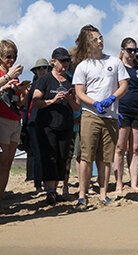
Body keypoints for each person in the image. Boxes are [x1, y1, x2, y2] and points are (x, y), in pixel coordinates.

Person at [72, 24, 130, 210]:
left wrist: (113, 97)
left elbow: (123, 85)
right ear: (87, 44)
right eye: (95, 39)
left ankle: (103, 193)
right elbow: (79, 92)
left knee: (106, 158)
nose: (100, 42)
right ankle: (82, 194)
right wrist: (94, 103)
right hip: (90, 114)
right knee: (87, 156)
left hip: (111, 115)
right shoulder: (83, 66)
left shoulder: (115, 61)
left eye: (101, 37)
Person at [32, 48, 80, 204]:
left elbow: (76, 107)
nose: (65, 64)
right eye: (62, 61)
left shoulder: (70, 81)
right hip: (47, 125)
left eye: (67, 61)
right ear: (53, 62)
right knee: (49, 157)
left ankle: (55, 190)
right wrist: (52, 100)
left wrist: (70, 98)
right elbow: (36, 101)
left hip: (65, 125)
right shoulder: (45, 80)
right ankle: (50, 191)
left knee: (61, 158)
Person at [113, 37, 138, 194]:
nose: (133, 53)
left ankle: (134, 183)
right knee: (120, 147)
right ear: (123, 50)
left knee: (135, 148)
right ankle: (119, 183)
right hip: (121, 110)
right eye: (130, 50)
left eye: (135, 50)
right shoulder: (116, 67)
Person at [0, 39, 27, 210]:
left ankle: (1, 197)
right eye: (8, 56)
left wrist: (22, 91)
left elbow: (21, 103)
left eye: (14, 56)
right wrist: (7, 79)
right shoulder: (6, 75)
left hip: (14, 119)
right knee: (2, 163)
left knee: (8, 163)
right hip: (2, 119)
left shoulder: (14, 76)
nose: (11, 60)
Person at [22, 58, 51, 193]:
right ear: (35, 71)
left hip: (49, 123)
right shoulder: (33, 87)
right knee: (38, 154)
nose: (41, 70)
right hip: (33, 123)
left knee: (49, 153)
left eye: (44, 68)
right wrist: (24, 127)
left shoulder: (52, 85)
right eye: (39, 69)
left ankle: (48, 183)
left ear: (48, 69)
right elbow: (26, 107)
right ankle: (38, 184)